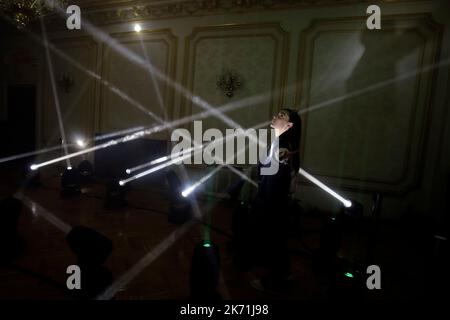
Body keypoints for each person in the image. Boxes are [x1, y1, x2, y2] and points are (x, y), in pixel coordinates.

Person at [248, 108, 302, 294]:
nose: (275, 116)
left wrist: (265, 201)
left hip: (274, 201)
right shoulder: (280, 142)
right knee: (276, 240)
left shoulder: (284, 147)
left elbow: (278, 176)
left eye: (281, 116)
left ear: (289, 125)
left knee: (276, 240)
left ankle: (278, 280)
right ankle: (283, 274)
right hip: (273, 199)